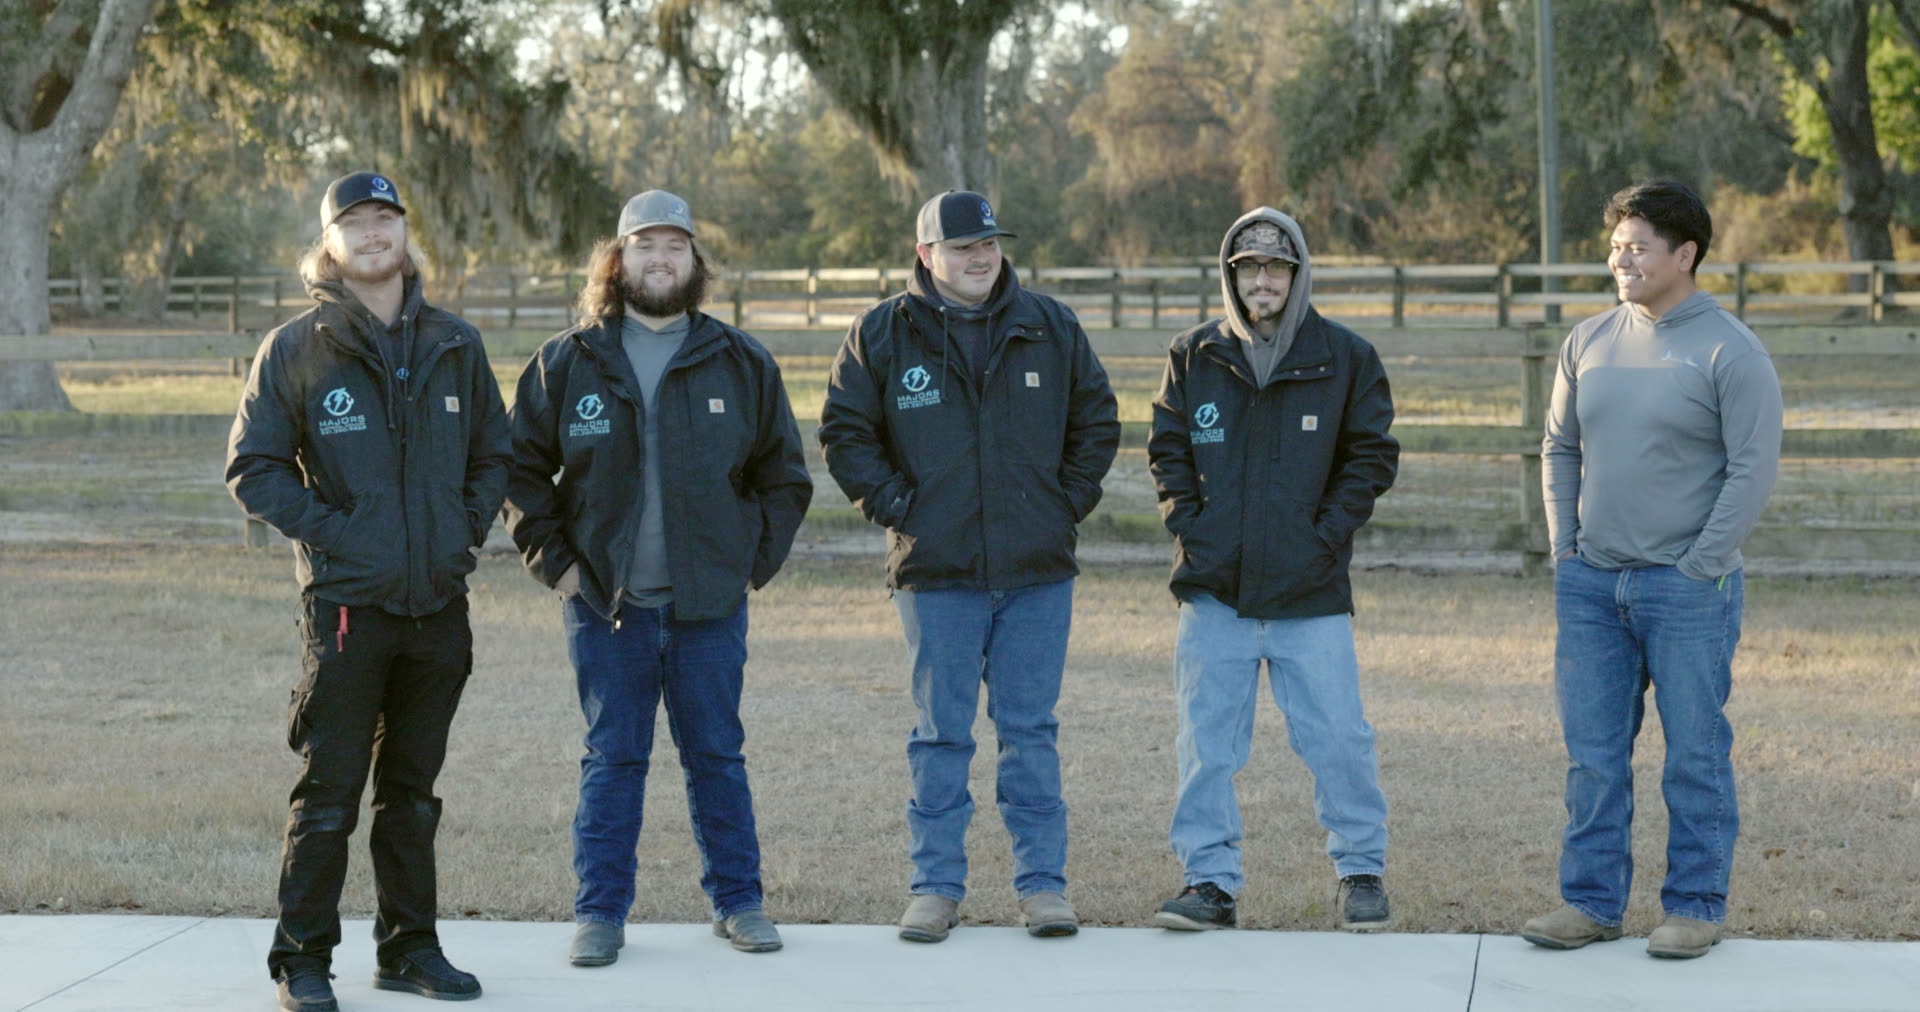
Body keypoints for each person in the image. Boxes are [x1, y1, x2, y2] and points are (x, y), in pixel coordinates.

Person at [503, 190, 813, 967]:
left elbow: (785, 478)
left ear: (695, 262)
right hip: (606, 605)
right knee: (614, 758)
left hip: (708, 606)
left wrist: (745, 568)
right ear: (619, 260)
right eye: (645, 245)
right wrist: (562, 568)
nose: (660, 258)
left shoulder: (740, 361)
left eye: (675, 245)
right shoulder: (568, 361)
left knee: (717, 754)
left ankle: (739, 902)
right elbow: (517, 476)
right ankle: (600, 912)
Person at [228, 171, 509, 1012]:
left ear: (404, 234)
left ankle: (409, 950)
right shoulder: (296, 347)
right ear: (331, 244)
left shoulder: (455, 343)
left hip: (437, 611)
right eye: (356, 221)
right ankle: (303, 960)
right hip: (347, 611)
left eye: (386, 218)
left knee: (414, 796)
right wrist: (343, 534)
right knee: (329, 794)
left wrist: (464, 528)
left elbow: (494, 452)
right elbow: (253, 468)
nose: (374, 233)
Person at [818, 190, 1120, 943]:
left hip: (1036, 571)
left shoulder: (1049, 325)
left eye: (988, 243)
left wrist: (1061, 503)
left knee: (1030, 732)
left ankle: (1044, 888)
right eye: (962, 248)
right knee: (941, 734)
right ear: (927, 255)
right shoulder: (882, 334)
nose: (981, 257)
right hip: (937, 572)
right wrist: (901, 507)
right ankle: (935, 887)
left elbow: (1098, 420)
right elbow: (846, 433)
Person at [1523, 180, 1782, 959]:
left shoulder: (1728, 349)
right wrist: (1564, 551)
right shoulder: (1588, 341)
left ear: (1686, 254)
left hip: (1688, 590)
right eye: (1615, 247)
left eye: (1637, 246)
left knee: (1695, 756)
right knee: (1594, 758)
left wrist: (1701, 564)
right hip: (1593, 586)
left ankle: (1695, 907)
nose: (1620, 259)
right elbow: (1559, 447)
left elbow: (1753, 466)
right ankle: (1592, 903)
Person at [1145, 207, 1399, 933]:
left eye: (1276, 268)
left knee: (1338, 737)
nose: (1262, 280)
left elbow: (1371, 457)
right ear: (1231, 276)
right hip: (1215, 592)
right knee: (1206, 744)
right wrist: (1193, 528)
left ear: (1297, 274)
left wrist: (1324, 535)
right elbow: (1167, 451)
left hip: (1309, 592)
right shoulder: (1194, 355)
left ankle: (1361, 872)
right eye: (1248, 268)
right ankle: (1209, 884)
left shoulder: (1344, 356)